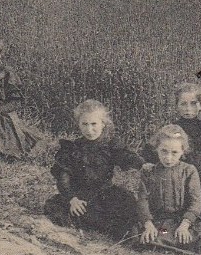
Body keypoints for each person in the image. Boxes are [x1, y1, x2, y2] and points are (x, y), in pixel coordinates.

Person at [44, 100, 144, 240]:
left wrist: (142, 164)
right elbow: (63, 178)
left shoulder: (110, 146)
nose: (89, 130)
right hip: (81, 195)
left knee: (127, 204)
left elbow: (126, 157)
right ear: (78, 124)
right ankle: (91, 225)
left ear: (103, 124)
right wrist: (72, 199)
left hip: (106, 193)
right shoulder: (73, 149)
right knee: (62, 209)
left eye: (94, 124)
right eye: (84, 124)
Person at [142, 83, 201, 233]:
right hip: (179, 179)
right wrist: (148, 164)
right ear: (176, 106)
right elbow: (151, 149)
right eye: (183, 104)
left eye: (194, 104)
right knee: (178, 214)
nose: (188, 109)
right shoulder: (172, 129)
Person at [137, 124, 201, 251]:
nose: (168, 158)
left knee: (186, 235)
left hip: (181, 222)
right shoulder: (148, 171)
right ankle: (158, 238)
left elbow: (196, 202)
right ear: (156, 148)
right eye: (164, 151)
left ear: (183, 151)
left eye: (174, 152)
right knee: (142, 232)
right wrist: (148, 224)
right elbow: (142, 199)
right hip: (157, 222)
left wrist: (185, 225)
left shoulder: (189, 171)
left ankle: (164, 241)